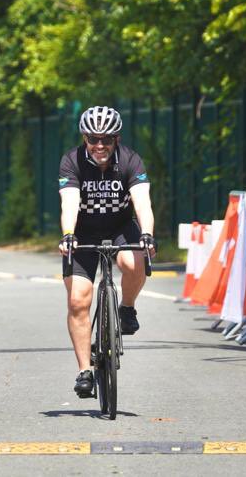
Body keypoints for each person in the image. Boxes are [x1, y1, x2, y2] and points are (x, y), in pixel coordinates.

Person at [58, 105, 156, 399]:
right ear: (85, 138)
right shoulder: (71, 161)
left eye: (107, 139)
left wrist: (148, 234)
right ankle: (84, 369)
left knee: (133, 260)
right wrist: (68, 235)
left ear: (117, 138)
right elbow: (69, 203)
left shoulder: (130, 160)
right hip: (83, 230)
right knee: (78, 301)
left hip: (119, 227)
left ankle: (126, 307)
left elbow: (142, 203)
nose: (100, 145)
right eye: (93, 139)